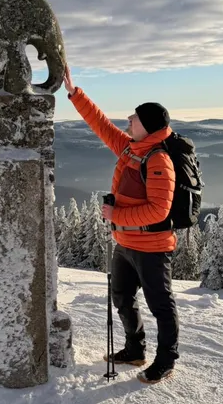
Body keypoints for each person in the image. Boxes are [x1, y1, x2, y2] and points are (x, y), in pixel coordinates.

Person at [63, 65, 179, 385]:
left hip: (152, 247)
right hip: (125, 243)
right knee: (122, 297)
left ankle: (166, 361)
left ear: (148, 125)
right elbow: (100, 124)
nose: (128, 120)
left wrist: (116, 218)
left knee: (160, 305)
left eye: (134, 117)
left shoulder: (158, 160)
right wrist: (75, 93)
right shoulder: (131, 148)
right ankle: (134, 350)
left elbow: (158, 210)